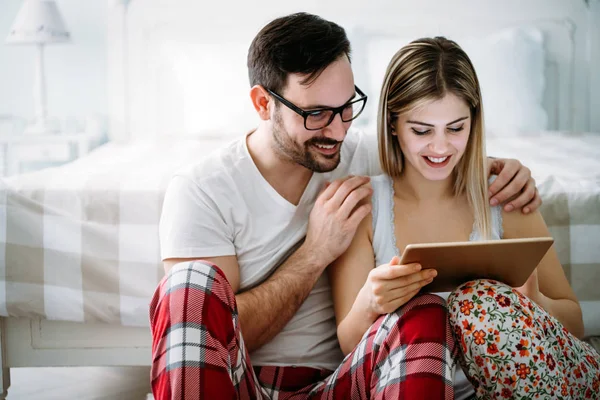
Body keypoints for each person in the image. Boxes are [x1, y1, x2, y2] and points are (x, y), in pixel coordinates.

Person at [149, 13, 543, 399]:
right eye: (316, 113)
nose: (337, 130)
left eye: (347, 107)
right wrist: (315, 253)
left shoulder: (363, 156)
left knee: (422, 311)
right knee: (188, 285)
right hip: (240, 384)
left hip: (348, 381)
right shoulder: (201, 190)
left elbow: (438, 152)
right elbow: (202, 334)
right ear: (264, 103)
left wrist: (504, 171)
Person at [329, 36, 600, 400]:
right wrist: (371, 302)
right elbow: (349, 345)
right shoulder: (366, 207)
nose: (440, 148)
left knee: (478, 303)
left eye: (456, 128)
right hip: (411, 385)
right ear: (393, 124)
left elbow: (575, 323)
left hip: (512, 383)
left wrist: (535, 302)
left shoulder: (504, 197)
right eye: (422, 131)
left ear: (474, 120)